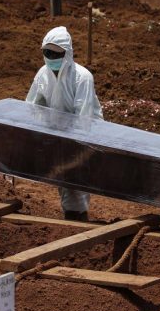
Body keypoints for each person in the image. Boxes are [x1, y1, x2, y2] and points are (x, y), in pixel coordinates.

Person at [26, 26, 103, 221]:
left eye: (56, 53)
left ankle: (78, 218)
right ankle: (71, 217)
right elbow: (33, 106)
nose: (51, 57)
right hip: (57, 135)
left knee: (77, 180)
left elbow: (84, 117)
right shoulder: (43, 74)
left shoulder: (82, 77)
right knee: (63, 179)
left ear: (67, 53)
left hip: (82, 135)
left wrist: (70, 139)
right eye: (47, 52)